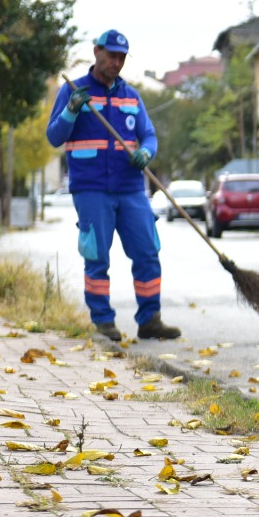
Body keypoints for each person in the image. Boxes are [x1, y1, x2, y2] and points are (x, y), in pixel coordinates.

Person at [45, 30, 181, 343]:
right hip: (91, 188)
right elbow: (55, 136)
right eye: (111, 56)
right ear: (96, 52)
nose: (116, 63)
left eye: (121, 57)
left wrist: (146, 152)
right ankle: (103, 323)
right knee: (97, 256)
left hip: (131, 187)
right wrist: (71, 110)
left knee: (147, 252)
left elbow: (148, 134)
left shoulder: (131, 96)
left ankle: (151, 320)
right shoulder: (73, 90)